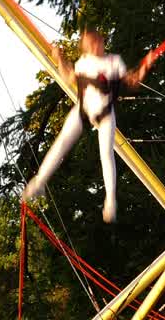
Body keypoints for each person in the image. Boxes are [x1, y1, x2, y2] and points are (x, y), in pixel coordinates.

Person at [22, 29, 148, 223]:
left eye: (97, 43)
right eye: (91, 44)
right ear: (87, 47)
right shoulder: (83, 62)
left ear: (102, 42)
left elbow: (132, 82)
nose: (95, 47)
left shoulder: (114, 62)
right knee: (61, 142)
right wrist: (60, 59)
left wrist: (144, 67)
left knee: (106, 153)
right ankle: (39, 182)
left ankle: (110, 199)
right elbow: (69, 77)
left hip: (105, 114)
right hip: (83, 110)